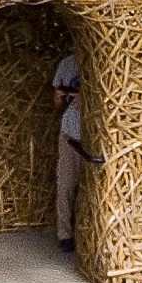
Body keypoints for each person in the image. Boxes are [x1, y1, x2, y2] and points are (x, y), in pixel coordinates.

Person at [51, 52, 91, 246]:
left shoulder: (97, 61)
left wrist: (87, 102)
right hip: (69, 134)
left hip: (92, 138)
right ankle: (65, 235)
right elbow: (56, 105)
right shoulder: (66, 64)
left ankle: (87, 236)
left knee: (90, 189)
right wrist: (61, 97)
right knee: (65, 185)